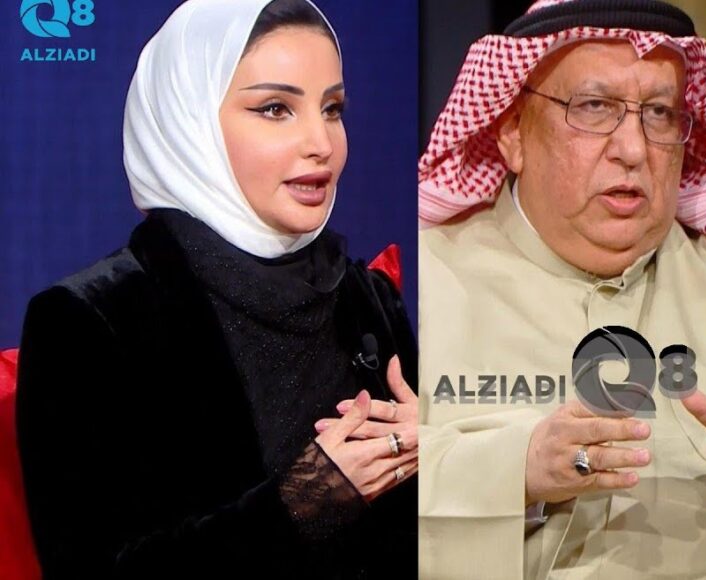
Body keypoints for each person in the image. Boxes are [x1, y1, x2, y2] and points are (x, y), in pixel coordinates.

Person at [16, 0, 418, 577]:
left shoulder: (366, 299)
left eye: (332, 109)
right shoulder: (89, 320)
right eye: (276, 108)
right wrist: (307, 499)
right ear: (191, 124)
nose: (322, 143)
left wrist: (438, 464)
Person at [417, 0, 706, 577]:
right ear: (512, 131)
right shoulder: (420, 287)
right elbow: (354, 506)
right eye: (594, 107)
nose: (634, 149)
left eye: (660, 114)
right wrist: (515, 471)